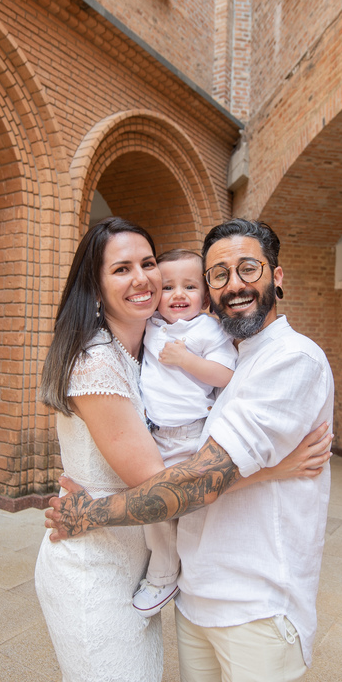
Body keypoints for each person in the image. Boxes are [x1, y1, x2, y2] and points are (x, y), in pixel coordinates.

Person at [35, 217, 331, 682]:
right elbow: (175, 474)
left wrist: (91, 512)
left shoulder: (288, 359)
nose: (234, 285)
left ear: (277, 276)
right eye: (219, 274)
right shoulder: (124, 355)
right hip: (176, 588)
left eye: (248, 269)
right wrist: (273, 469)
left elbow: (193, 480)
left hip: (253, 603)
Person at [134, 249, 236, 618]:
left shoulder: (208, 329)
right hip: (154, 435)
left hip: (191, 435)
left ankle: (180, 576)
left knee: (192, 509)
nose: (178, 294)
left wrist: (186, 360)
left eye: (189, 287)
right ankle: (165, 573)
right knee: (155, 505)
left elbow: (225, 375)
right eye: (168, 287)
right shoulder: (150, 325)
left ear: (205, 298)